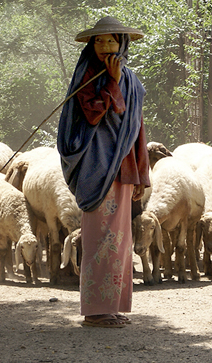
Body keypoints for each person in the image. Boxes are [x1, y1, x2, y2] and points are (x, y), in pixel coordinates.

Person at [58, 16, 150, 328]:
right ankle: (95, 311)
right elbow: (96, 115)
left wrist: (141, 173)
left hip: (124, 169)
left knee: (121, 241)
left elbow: (136, 127)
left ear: (121, 44)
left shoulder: (133, 81)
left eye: (110, 41)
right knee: (100, 239)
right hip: (97, 170)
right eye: (99, 41)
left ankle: (112, 306)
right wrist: (110, 80)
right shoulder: (86, 79)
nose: (104, 47)